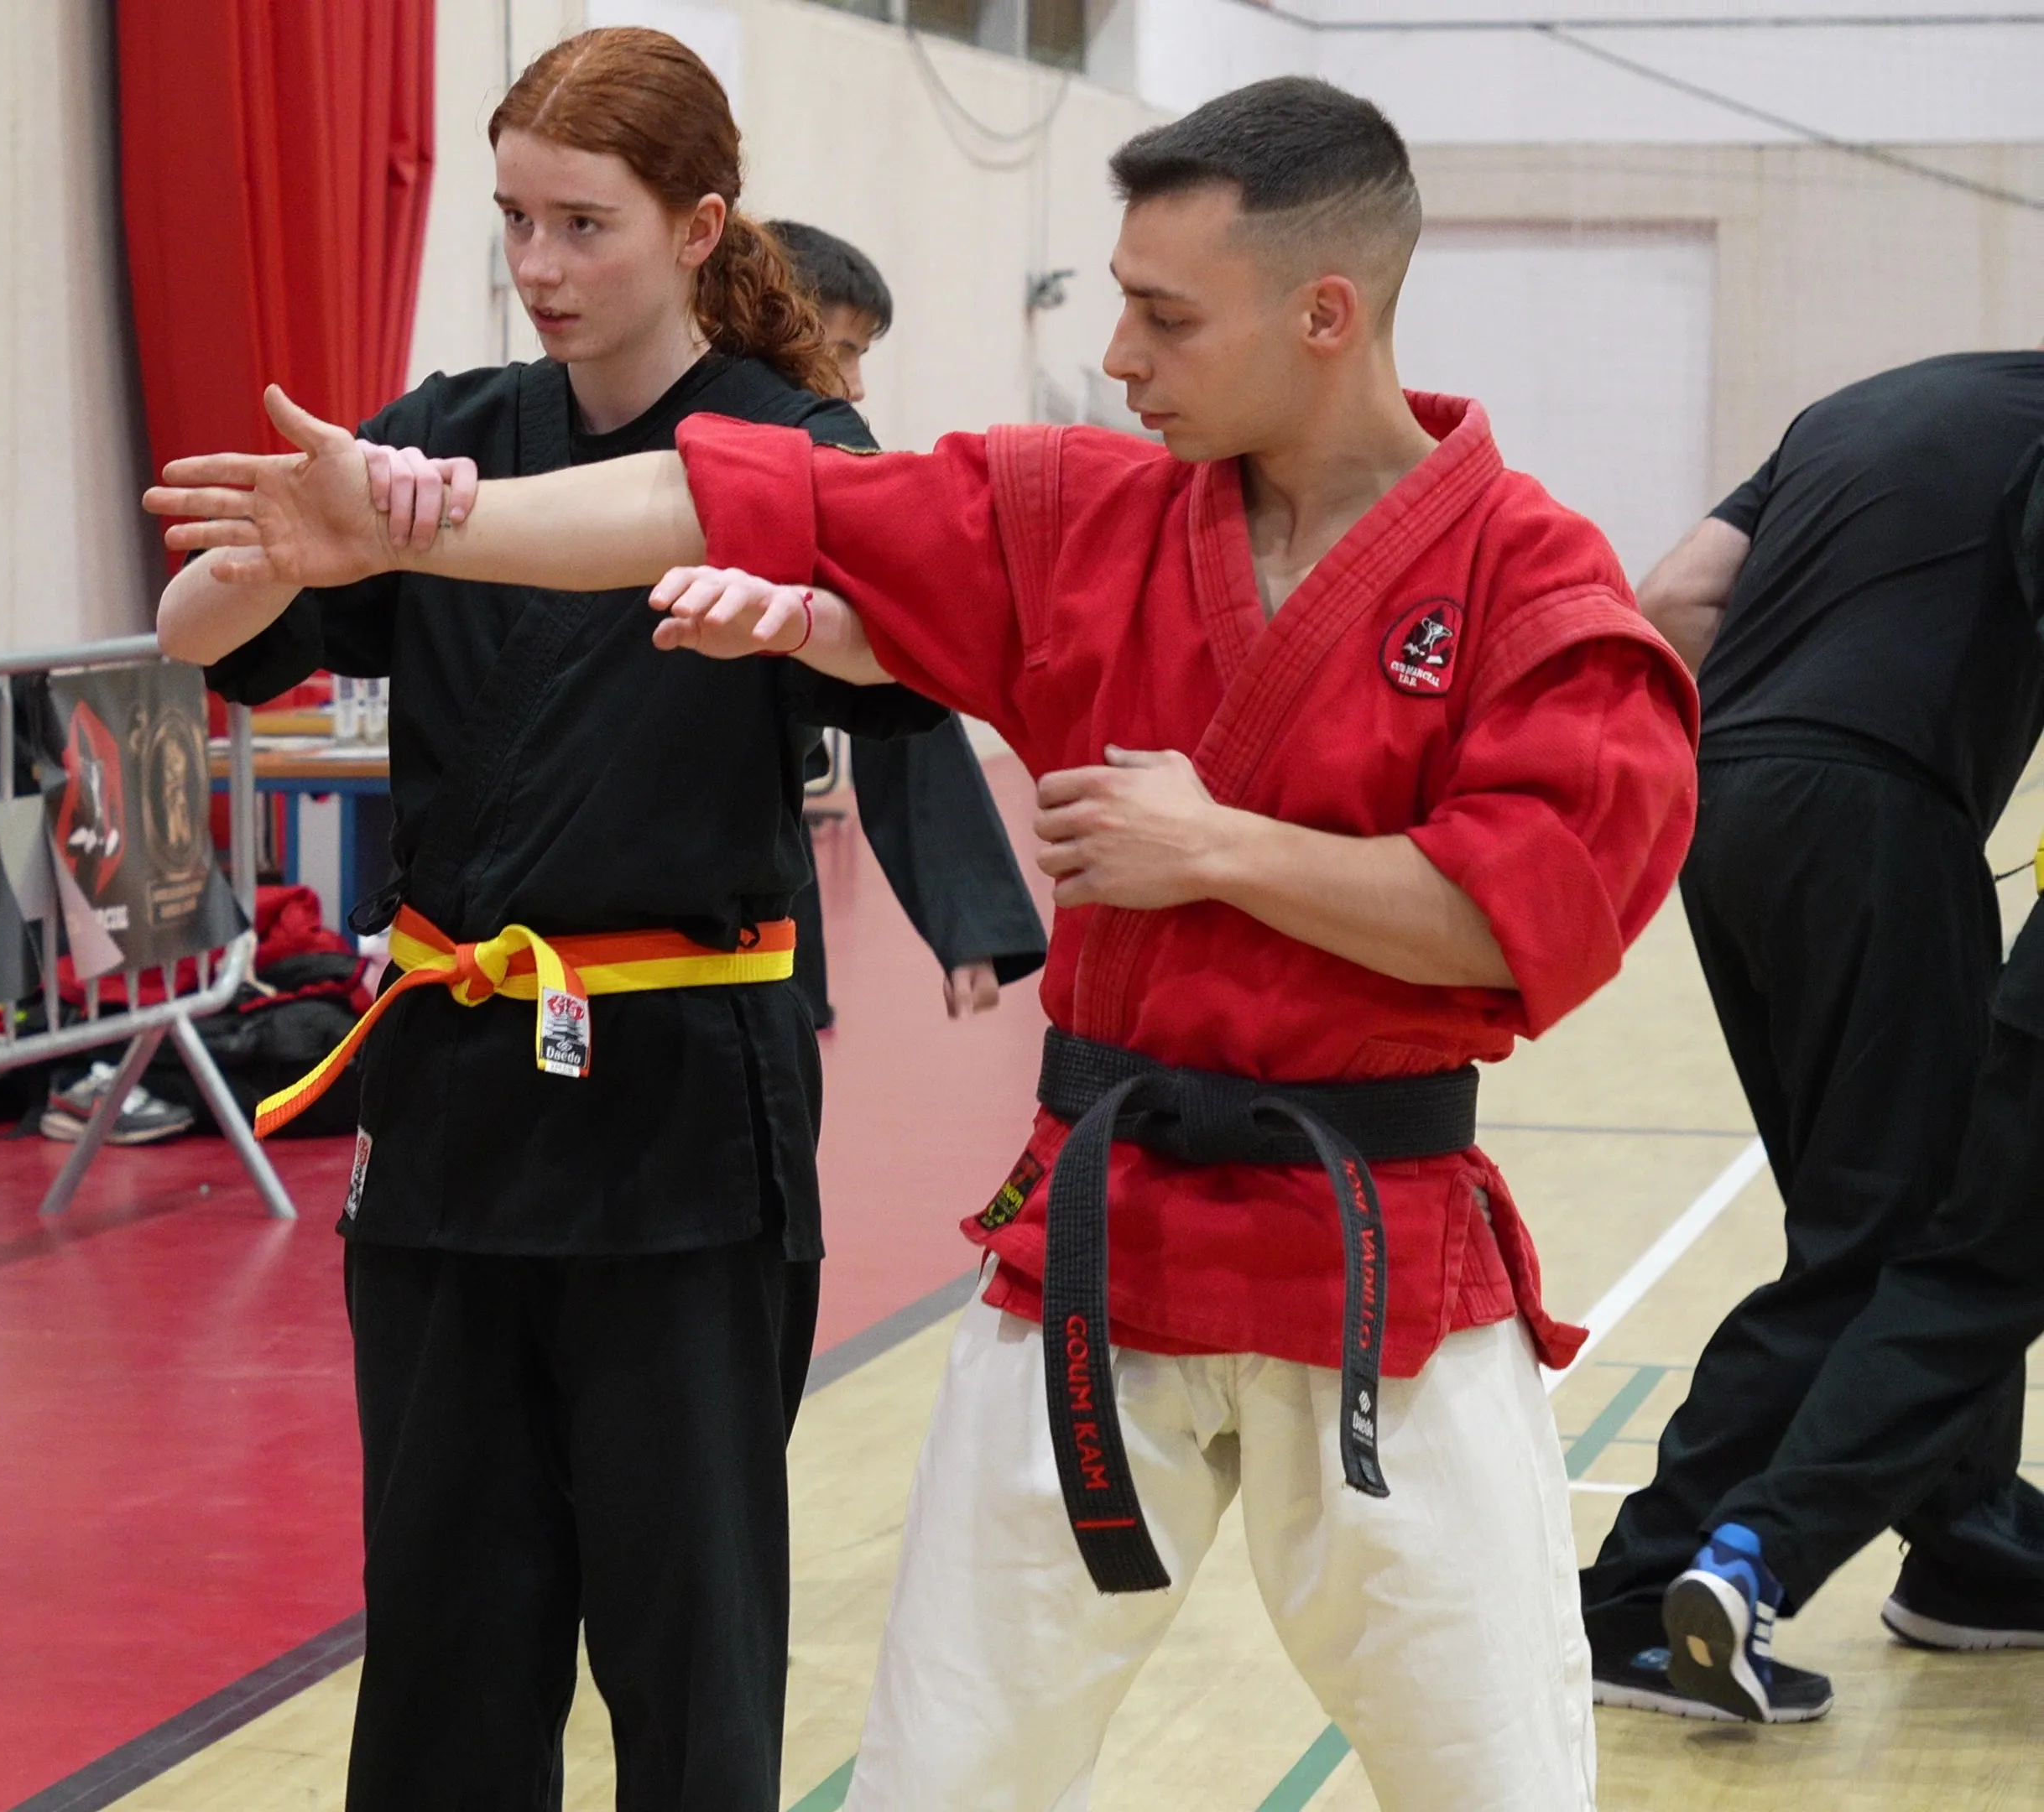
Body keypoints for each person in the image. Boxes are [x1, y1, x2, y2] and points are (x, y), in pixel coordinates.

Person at [149, 76, 1699, 1811]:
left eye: (1164, 315)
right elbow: (714, 502)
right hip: (1093, 1246)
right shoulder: (1086, 514)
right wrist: (431, 523)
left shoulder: (1534, 582)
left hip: (1380, 1267)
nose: (1118, 354)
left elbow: (1527, 914)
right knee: (945, 1772)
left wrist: (1223, 851)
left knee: (1495, 1774)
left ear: (1324, 315)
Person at [151, 28, 942, 1809]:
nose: (539, 269)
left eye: (585, 224)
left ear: (697, 224)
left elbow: (913, 666)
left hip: (679, 1113)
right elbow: (203, 641)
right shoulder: (447, 434)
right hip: (453, 1105)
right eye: (514, 220)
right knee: (444, 1623)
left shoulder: (788, 445)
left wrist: (799, 625)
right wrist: (296, 542)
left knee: (685, 1633)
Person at [1583, 354, 2044, 1722]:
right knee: (1900, 1236)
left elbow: (1671, 601)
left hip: (1719, 804)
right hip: (1874, 815)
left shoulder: (1863, 411)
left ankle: (1967, 1548)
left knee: (1888, 1210)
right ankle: (1640, 1596)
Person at [766, 219, 1048, 1028]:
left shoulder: (827, 451)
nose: (854, 384)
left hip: (747, 873)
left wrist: (967, 916)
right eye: (844, 349)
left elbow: (899, 665)